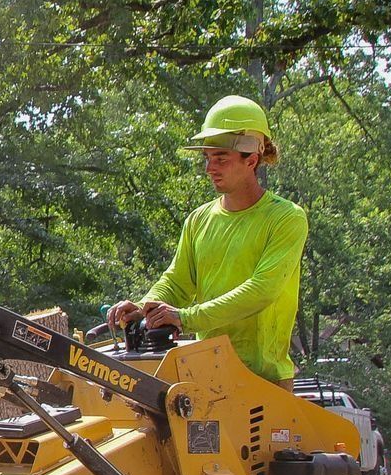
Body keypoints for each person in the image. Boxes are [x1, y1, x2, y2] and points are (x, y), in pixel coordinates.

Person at [108, 95, 307, 384]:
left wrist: (185, 318)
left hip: (264, 380)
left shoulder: (286, 218)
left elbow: (263, 289)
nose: (210, 168)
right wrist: (146, 306)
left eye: (221, 159)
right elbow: (178, 281)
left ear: (251, 159)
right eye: (208, 158)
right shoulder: (199, 220)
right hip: (208, 376)